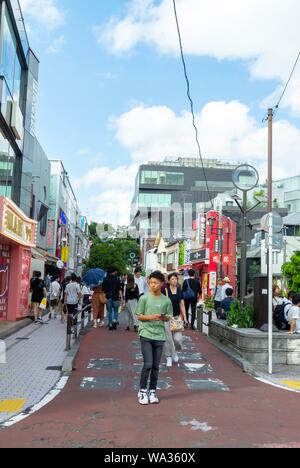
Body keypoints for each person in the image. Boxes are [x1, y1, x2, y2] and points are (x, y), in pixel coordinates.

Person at [136, 271, 173, 405]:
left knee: (156, 366)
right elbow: (139, 315)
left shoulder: (166, 300)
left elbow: (169, 316)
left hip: (160, 335)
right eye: (151, 282)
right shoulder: (144, 298)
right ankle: (141, 391)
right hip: (145, 334)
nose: (153, 285)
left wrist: (163, 317)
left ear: (162, 284)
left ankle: (152, 391)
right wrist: (151, 317)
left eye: (156, 283)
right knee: (148, 364)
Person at [163, 273, 188, 368]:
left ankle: (174, 352)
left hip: (177, 317)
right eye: (172, 279)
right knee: (168, 339)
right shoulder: (165, 290)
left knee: (177, 339)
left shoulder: (179, 291)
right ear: (168, 281)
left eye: (175, 279)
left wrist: (184, 317)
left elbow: (182, 304)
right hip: (167, 318)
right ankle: (169, 356)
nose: (174, 281)